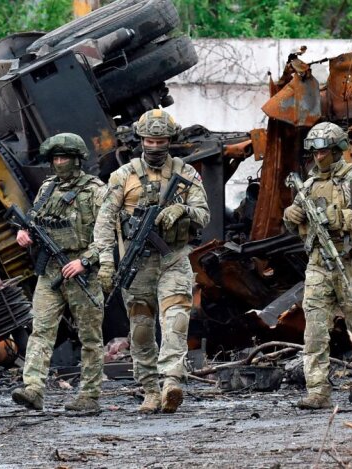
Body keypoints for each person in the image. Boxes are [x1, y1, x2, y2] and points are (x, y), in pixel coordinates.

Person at [93, 109, 210, 414]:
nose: (155, 146)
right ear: (141, 140)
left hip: (173, 258)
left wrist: (182, 211)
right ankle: (149, 388)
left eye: (161, 141)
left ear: (170, 141)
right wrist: (106, 261)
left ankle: (172, 379)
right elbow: (104, 222)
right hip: (137, 264)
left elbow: (204, 215)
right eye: (150, 140)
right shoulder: (123, 177)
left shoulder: (187, 175)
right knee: (141, 330)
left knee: (176, 320)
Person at [282, 122, 352, 409]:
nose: (319, 157)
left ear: (338, 149)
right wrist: (291, 216)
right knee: (314, 328)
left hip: (351, 261)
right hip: (318, 264)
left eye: (325, 151)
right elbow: (296, 228)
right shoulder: (308, 185)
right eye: (314, 152)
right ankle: (318, 391)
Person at [11, 133, 106, 412]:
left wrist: (85, 261)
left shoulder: (96, 191)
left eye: (64, 157)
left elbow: (110, 235)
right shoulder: (47, 188)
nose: (59, 163)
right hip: (50, 270)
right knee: (41, 330)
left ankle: (89, 395)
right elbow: (33, 220)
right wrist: (23, 233)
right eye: (55, 158)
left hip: (81, 272)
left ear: (77, 160)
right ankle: (33, 389)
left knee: (89, 336)